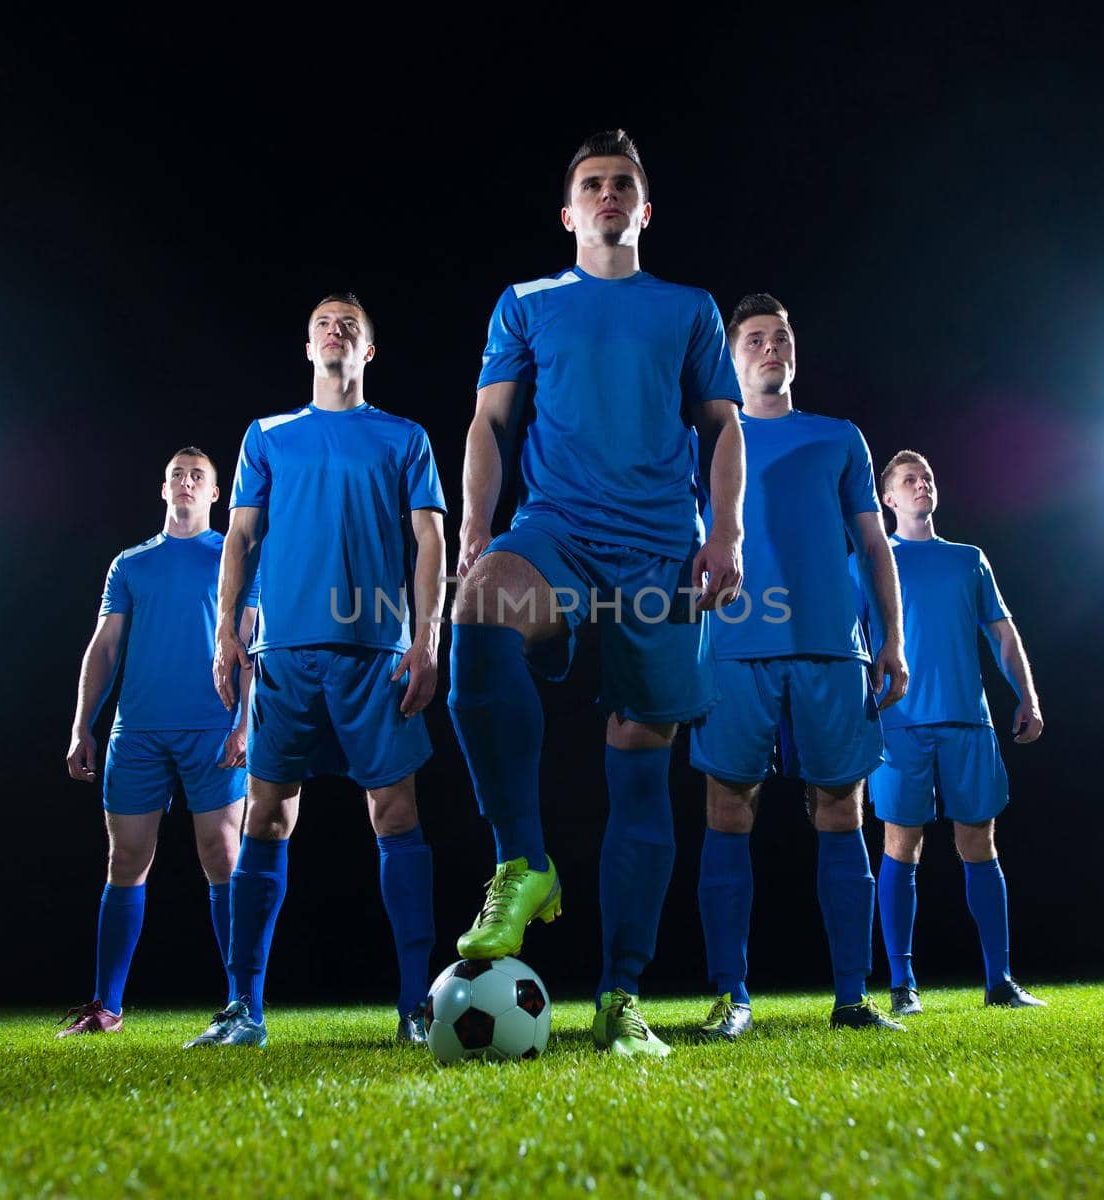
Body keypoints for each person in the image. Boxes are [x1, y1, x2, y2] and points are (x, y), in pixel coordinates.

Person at [448, 130, 746, 1057]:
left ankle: (620, 997)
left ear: (644, 209)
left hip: (660, 551)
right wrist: (474, 529)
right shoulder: (527, 303)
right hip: (559, 531)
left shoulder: (690, 308)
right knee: (479, 609)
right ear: (569, 211)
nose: (608, 195)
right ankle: (523, 860)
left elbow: (725, 427)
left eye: (623, 184)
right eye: (592, 185)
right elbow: (489, 422)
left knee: (639, 761)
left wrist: (725, 534)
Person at [184, 293, 448, 1048]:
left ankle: (412, 1010)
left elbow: (431, 542)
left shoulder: (404, 437)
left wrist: (426, 638)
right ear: (308, 348)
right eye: (325, 325)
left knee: (395, 816)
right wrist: (227, 633)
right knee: (265, 816)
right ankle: (244, 1010)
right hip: (284, 656)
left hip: (377, 653)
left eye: (351, 327)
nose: (337, 333)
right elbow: (239, 538)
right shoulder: (267, 435)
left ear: (369, 352)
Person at [690, 294, 910, 1040]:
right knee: (728, 809)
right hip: (735, 645)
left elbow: (876, 547)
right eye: (753, 339)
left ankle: (851, 996)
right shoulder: (710, 440)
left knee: (842, 810)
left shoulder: (839, 437)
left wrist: (893, 640)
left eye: (781, 336)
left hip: (830, 646)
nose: (770, 348)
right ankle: (732, 995)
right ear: (731, 356)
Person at [58, 448, 258, 1037]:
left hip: (214, 727)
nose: (187, 482)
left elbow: (251, 646)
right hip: (138, 731)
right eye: (177, 474)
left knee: (224, 859)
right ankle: (106, 1007)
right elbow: (105, 648)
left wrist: (246, 723)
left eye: (198, 476)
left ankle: (240, 1004)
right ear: (163, 487)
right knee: (125, 861)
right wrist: (81, 725)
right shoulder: (130, 564)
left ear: (215, 493)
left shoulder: (235, 557)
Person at [868, 449, 1047, 1013]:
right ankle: (902, 988)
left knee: (979, 844)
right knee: (902, 846)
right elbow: (849, 640)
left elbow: (1003, 633)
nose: (922, 485)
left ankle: (1000, 983)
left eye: (928, 478)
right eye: (908, 480)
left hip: (970, 720)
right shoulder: (871, 560)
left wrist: (1029, 696)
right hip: (898, 724)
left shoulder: (969, 558)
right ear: (888, 498)